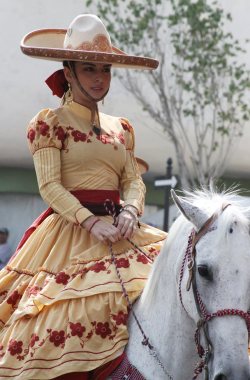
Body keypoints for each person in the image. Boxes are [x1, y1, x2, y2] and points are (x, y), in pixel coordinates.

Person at [0, 14, 167, 379]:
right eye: (88, 68)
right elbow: (50, 187)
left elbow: (133, 179)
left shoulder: (120, 128)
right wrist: (89, 221)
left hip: (123, 229)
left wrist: (131, 211)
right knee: (51, 324)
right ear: (69, 71)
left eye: (105, 69)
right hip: (69, 234)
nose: (98, 78)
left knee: (181, 281)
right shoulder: (50, 122)